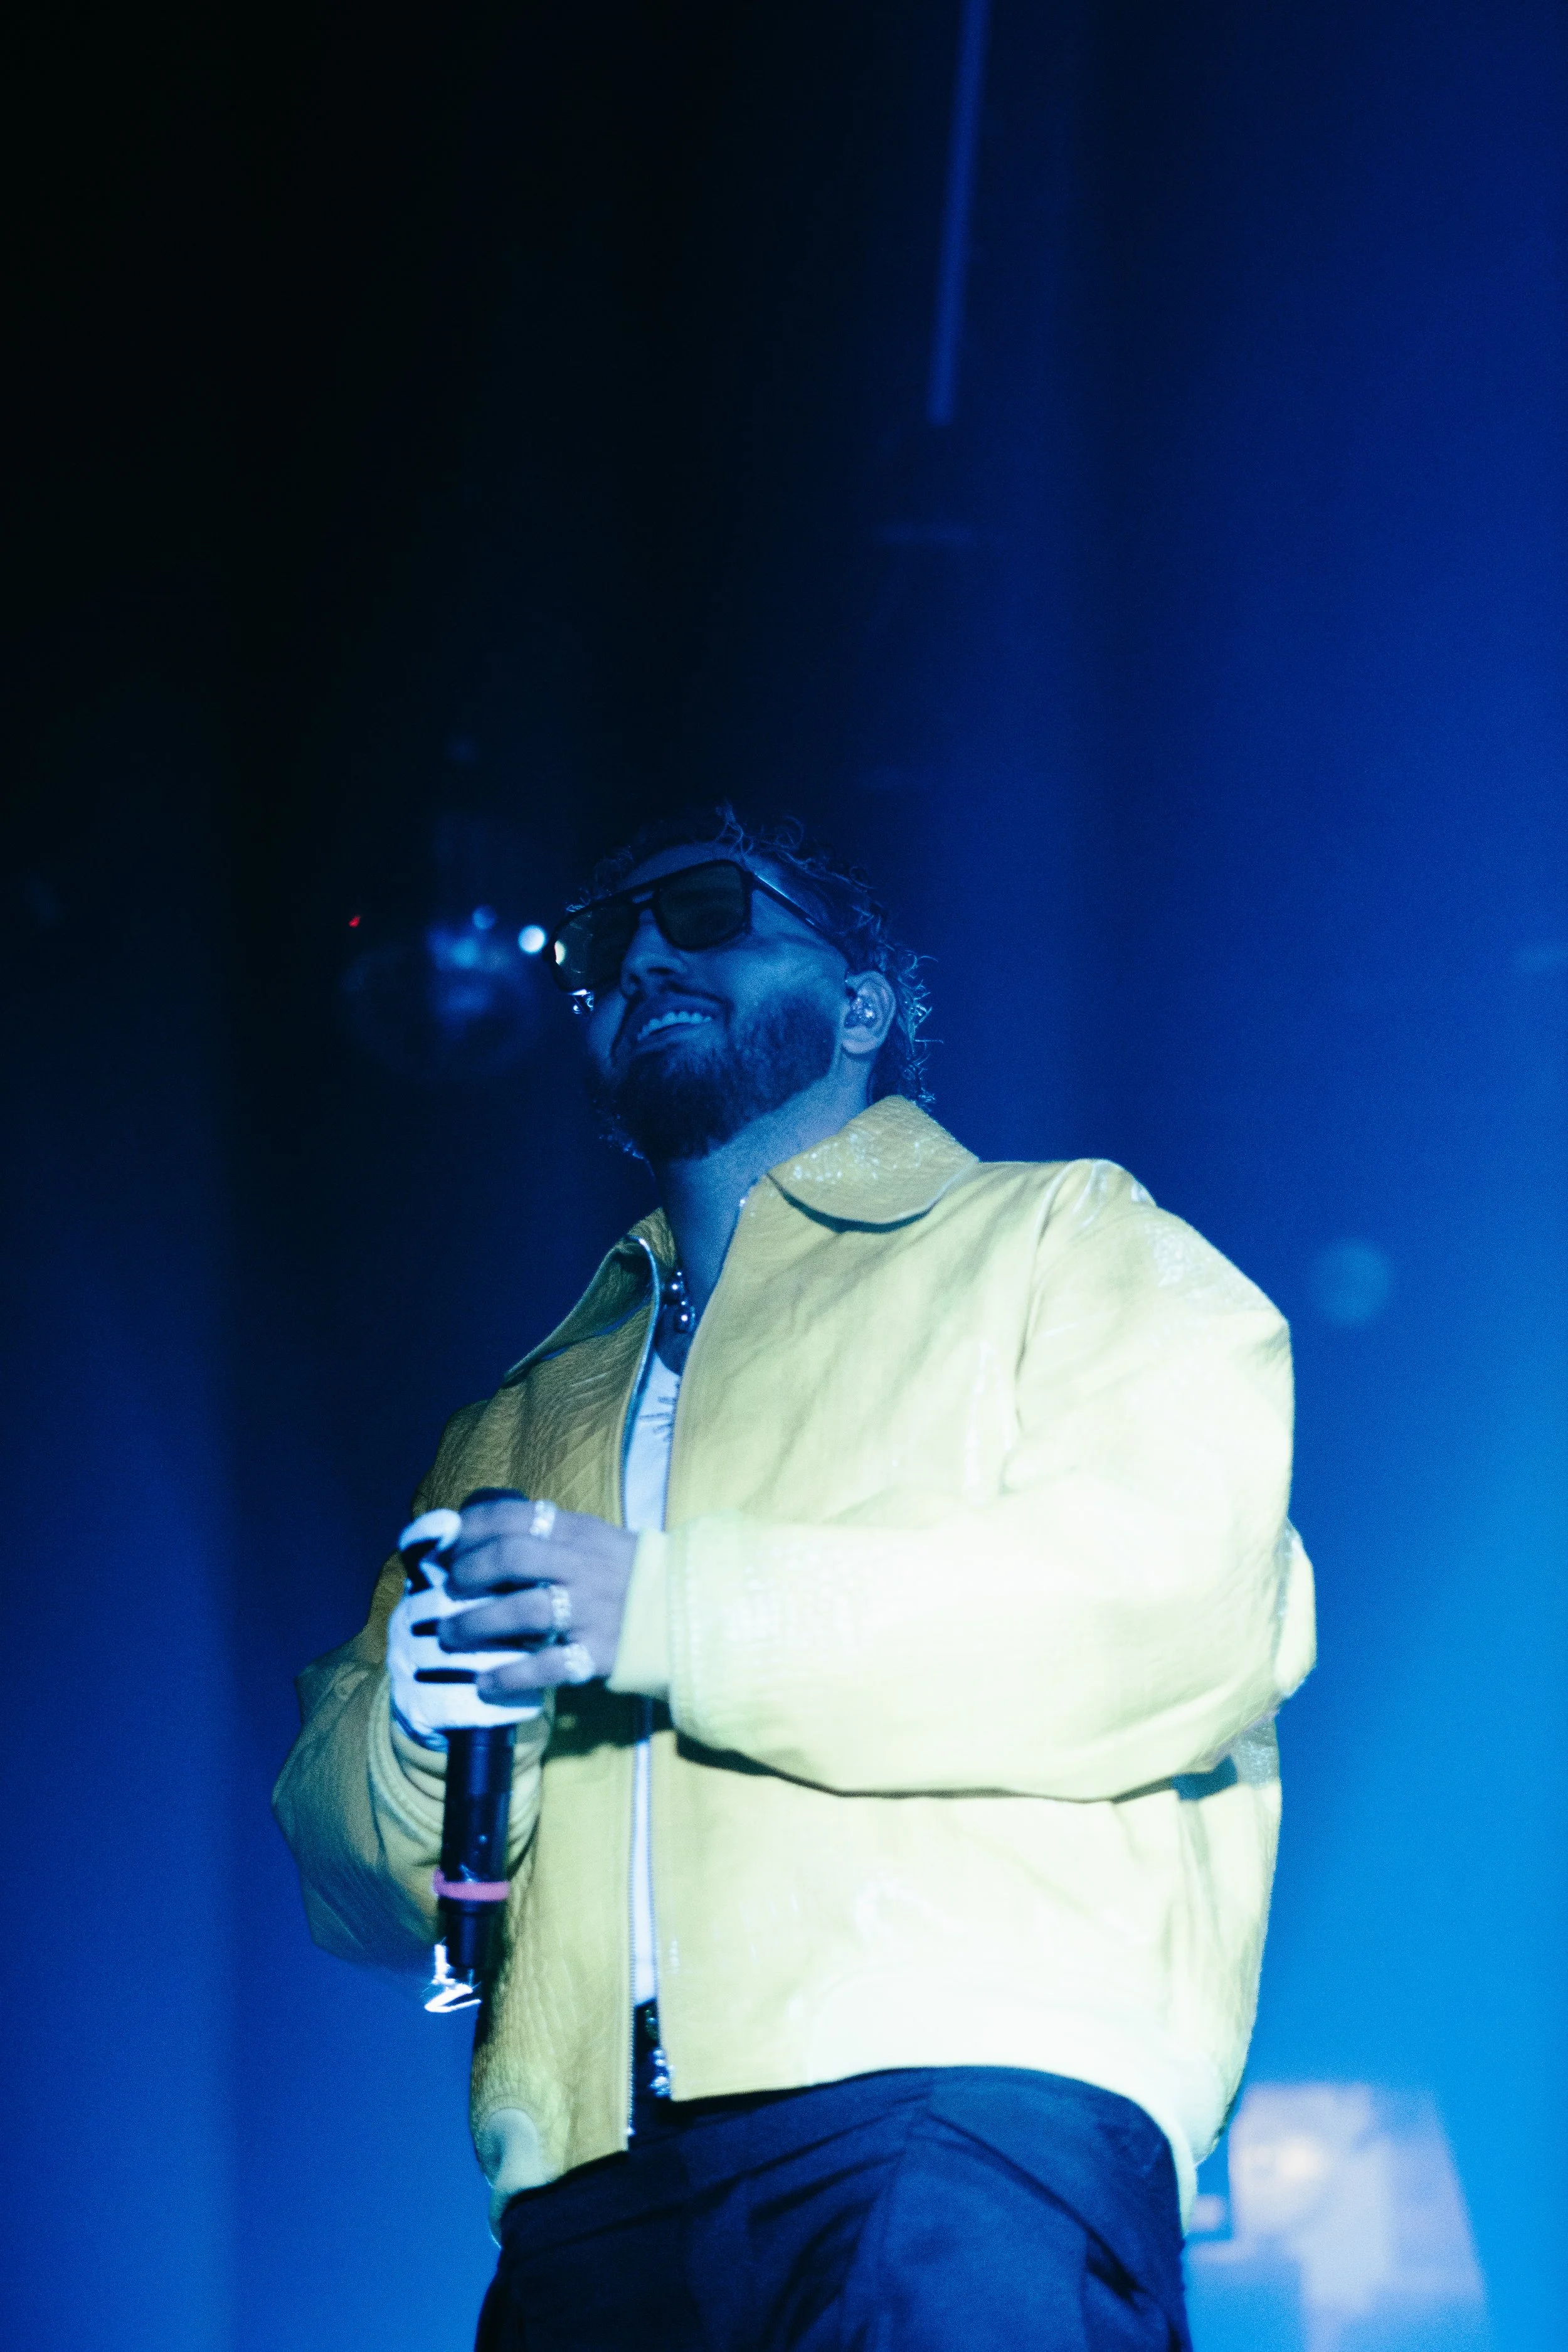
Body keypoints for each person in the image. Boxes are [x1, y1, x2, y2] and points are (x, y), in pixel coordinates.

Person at [274, 805, 1315, 2351]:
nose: (639, 951)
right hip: (583, 2191)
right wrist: (420, 1731)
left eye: (704, 909)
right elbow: (359, 1893)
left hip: (966, 2104)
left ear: (861, 1004)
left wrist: (667, 1611)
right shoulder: (510, 1420)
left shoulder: (1059, 1237)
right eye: (601, 941)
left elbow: (1170, 1608)